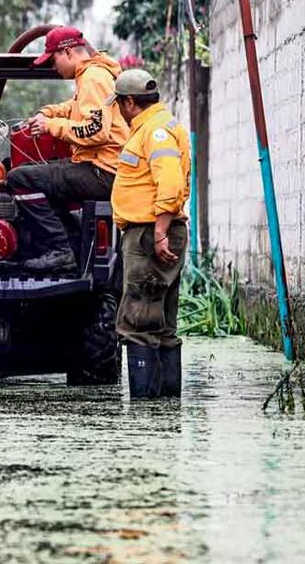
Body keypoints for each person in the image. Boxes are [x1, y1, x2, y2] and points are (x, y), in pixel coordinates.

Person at [7, 26, 130, 272]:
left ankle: (61, 250)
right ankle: (72, 246)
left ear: (68, 52)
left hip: (103, 171)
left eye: (53, 60)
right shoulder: (92, 75)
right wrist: (48, 112)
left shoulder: (93, 78)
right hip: (103, 167)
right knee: (38, 175)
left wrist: (51, 126)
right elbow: (76, 107)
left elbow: (96, 131)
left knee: (18, 178)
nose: (54, 67)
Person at [109, 69, 191, 398]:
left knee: (139, 322)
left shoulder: (154, 132)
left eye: (119, 105)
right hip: (155, 231)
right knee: (163, 326)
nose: (118, 111)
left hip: (149, 234)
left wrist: (158, 233)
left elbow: (169, 182)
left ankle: (145, 411)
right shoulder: (161, 125)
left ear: (130, 102)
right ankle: (166, 407)